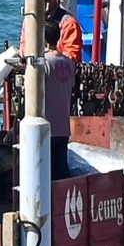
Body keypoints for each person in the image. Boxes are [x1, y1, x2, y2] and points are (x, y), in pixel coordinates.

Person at [20, 0, 84, 62]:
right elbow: (24, 45)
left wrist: (51, 56)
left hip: (59, 69)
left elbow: (73, 57)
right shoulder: (29, 20)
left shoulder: (68, 23)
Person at [44, 20, 77, 180]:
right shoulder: (69, 63)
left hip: (46, 125)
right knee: (62, 170)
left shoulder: (43, 63)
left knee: (45, 170)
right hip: (63, 125)